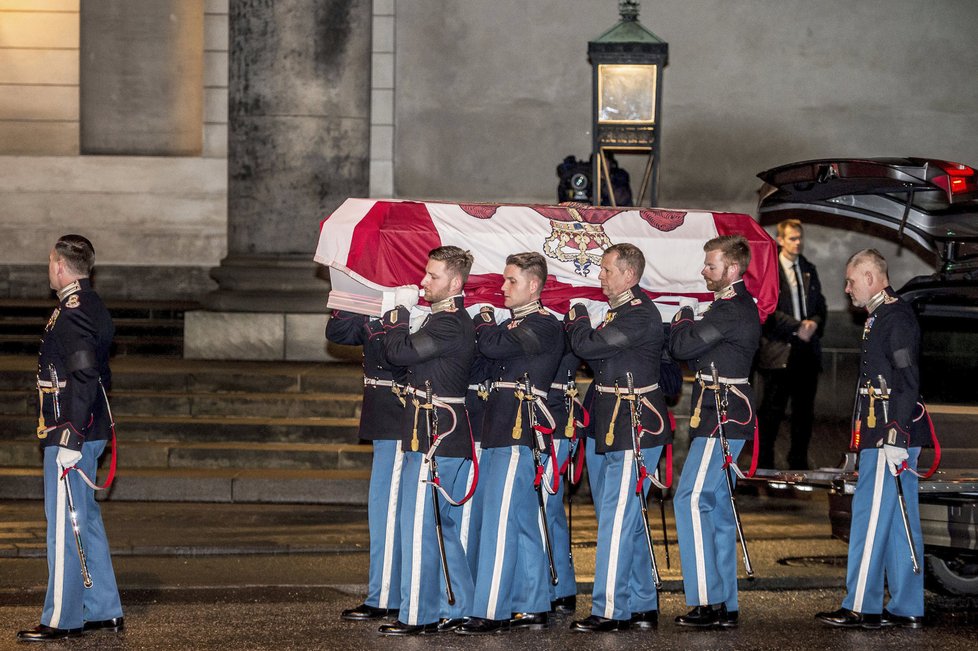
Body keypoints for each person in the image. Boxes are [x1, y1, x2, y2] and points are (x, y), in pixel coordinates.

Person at [17, 235, 125, 642]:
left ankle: (62, 618)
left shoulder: (73, 310)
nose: (49, 268)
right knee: (85, 520)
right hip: (87, 426)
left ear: (60, 266)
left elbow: (83, 375)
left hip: (71, 430)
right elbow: (100, 373)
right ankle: (103, 608)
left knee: (64, 525)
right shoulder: (90, 304)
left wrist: (72, 437)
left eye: (50, 262)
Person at [564, 243, 673, 632]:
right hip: (611, 422)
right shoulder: (622, 313)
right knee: (625, 517)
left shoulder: (641, 315)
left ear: (629, 275)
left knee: (617, 518)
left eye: (607, 270)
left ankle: (610, 608)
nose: (600, 276)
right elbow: (599, 360)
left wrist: (576, 316)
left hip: (635, 426)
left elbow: (587, 346)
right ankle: (642, 602)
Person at [816, 249, 926, 629]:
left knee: (870, 515)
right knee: (897, 520)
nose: (846, 289)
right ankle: (908, 605)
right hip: (883, 431)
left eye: (850, 281)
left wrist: (895, 433)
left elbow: (906, 379)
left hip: (888, 434)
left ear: (870, 277)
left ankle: (861, 605)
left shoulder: (894, 316)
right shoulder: (882, 315)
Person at [457, 252, 563, 635]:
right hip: (500, 426)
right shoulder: (516, 324)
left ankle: (491, 610)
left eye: (511, 281)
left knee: (499, 524)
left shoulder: (546, 325)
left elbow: (494, 346)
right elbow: (483, 362)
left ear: (534, 285)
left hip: (520, 431)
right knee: (520, 521)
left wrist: (484, 321)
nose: (502, 287)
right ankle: (534, 603)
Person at [374, 246, 477, 635]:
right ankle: (460, 606)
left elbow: (399, 352)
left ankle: (418, 615)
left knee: (419, 525)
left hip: (436, 436)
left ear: (454, 282)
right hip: (438, 433)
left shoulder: (448, 323)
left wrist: (397, 317)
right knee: (439, 526)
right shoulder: (443, 319)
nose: (423, 282)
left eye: (432, 276)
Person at [669, 234, 760, 629]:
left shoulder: (730, 309)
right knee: (718, 509)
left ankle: (707, 601)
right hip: (720, 411)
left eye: (710, 265)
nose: (704, 271)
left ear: (733, 269)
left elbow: (684, 347)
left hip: (721, 414)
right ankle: (725, 601)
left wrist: (685, 316)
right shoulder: (730, 307)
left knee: (689, 499)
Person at [326, 310, 406, 622]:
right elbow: (339, 332)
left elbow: (397, 353)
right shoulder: (378, 302)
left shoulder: (411, 304)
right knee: (383, 511)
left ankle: (385, 596)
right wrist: (350, 297)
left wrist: (389, 315)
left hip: (397, 417)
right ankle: (389, 592)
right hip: (381, 417)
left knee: (387, 511)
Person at [757, 219, 827, 470]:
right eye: (792, 238)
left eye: (800, 238)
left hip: (806, 351)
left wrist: (814, 324)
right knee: (771, 411)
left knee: (804, 412)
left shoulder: (808, 268)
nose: (798, 243)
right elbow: (767, 310)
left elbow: (821, 306)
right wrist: (797, 326)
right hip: (779, 350)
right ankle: (764, 461)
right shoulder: (771, 270)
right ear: (780, 240)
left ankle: (798, 460)